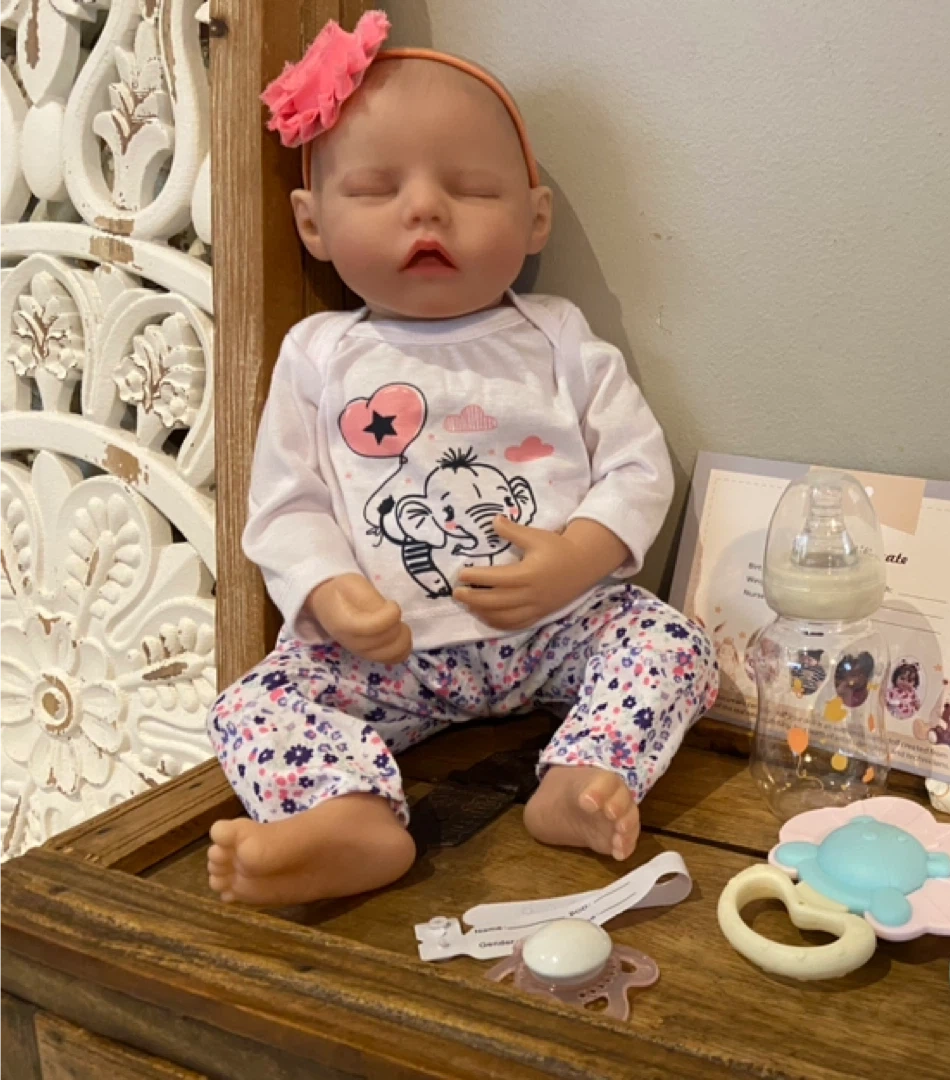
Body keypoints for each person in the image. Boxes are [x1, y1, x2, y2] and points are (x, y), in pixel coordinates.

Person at [205, 12, 717, 907]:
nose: (425, 208)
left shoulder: (557, 334)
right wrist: (333, 593)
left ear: (534, 217)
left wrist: (578, 558)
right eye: (377, 188)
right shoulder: (319, 354)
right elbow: (287, 506)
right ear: (312, 223)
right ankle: (347, 815)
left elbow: (638, 466)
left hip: (557, 633)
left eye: (471, 188)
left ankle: (584, 775)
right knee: (249, 705)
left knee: (673, 643)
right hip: (390, 660)